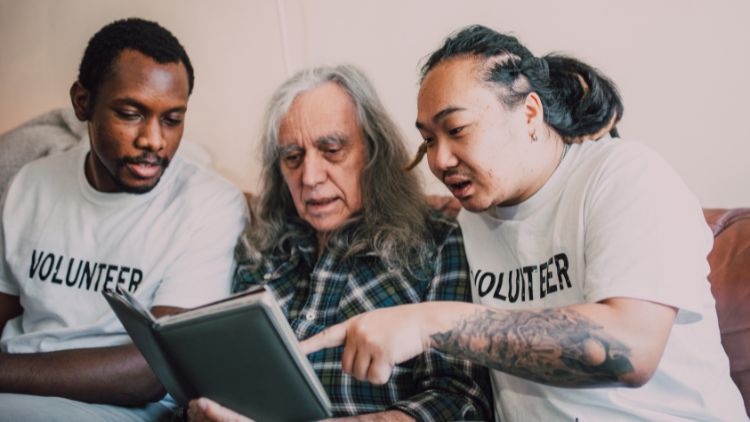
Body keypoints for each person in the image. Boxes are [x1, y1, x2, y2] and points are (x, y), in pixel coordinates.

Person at [301, 25, 749, 421]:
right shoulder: (469, 220)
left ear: (530, 113)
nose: (439, 159)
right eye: (428, 139)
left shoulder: (625, 176)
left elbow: (628, 349)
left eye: (456, 130)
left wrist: (428, 323)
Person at [187, 65, 492, 421]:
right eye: (293, 158)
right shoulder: (261, 252)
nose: (311, 177)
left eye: (332, 149)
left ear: (373, 153)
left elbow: (459, 400)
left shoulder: (436, 243)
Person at [0, 18, 247, 421]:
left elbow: (153, 370)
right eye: (131, 113)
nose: (153, 140)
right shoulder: (32, 183)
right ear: (83, 103)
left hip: (117, 408)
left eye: (172, 119)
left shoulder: (209, 205)